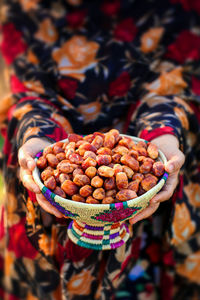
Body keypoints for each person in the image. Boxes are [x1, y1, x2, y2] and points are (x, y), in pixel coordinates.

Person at [0, 0, 199, 299]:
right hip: (49, 206)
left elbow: (178, 83)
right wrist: (37, 139)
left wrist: (163, 139)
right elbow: (23, 90)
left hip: (152, 212)